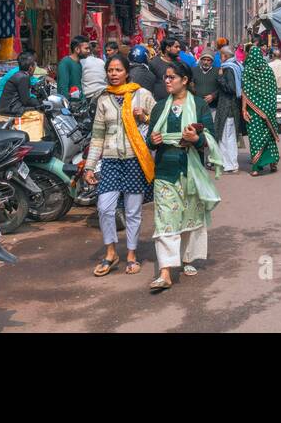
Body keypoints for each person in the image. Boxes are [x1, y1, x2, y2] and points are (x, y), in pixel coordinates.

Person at [147, 59, 221, 293]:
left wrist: (196, 139)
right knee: (165, 219)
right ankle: (166, 271)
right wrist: (153, 140)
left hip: (191, 169)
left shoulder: (199, 105)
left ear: (185, 81)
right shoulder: (160, 106)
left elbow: (210, 135)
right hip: (165, 171)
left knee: (189, 218)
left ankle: (187, 258)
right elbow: (151, 135)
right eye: (165, 77)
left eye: (172, 77)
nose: (167, 81)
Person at [86, 54, 156, 278]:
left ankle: (132, 255)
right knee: (105, 207)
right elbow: (97, 135)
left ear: (127, 72)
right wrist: (89, 166)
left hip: (135, 160)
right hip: (110, 160)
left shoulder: (141, 95)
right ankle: (110, 253)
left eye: (118, 70)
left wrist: (144, 116)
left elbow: (158, 122)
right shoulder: (103, 99)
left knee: (133, 211)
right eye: (110, 70)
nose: (113, 74)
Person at [241, 45, 281, 176]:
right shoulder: (268, 70)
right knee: (269, 135)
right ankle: (272, 163)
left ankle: (256, 168)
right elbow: (273, 90)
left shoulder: (247, 70)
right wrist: (269, 106)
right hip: (268, 109)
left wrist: (243, 109)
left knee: (255, 137)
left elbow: (245, 93)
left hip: (253, 110)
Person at [215, 45, 243, 172]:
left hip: (228, 107)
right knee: (227, 135)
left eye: (221, 55)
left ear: (225, 56)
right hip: (230, 106)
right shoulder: (236, 66)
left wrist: (220, 78)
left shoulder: (229, 69)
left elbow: (231, 88)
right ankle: (228, 163)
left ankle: (230, 164)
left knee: (227, 136)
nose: (219, 57)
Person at [0, 52, 40, 117]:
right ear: (30, 67)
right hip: (9, 109)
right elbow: (26, 101)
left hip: (9, 107)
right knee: (39, 110)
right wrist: (41, 103)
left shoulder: (20, 74)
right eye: (34, 67)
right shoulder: (23, 77)